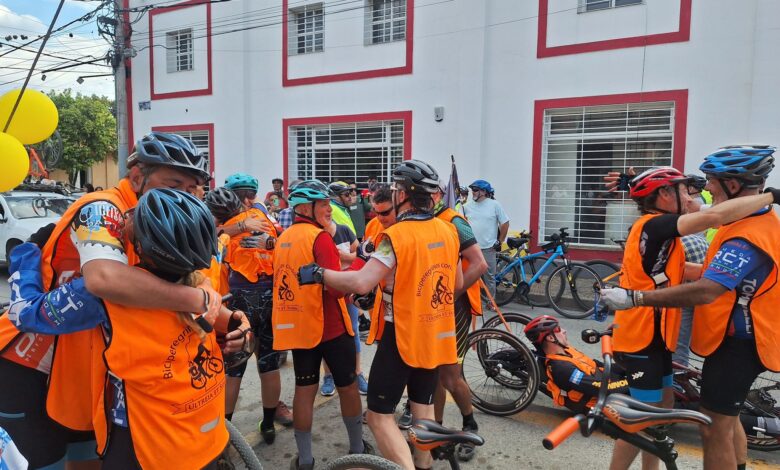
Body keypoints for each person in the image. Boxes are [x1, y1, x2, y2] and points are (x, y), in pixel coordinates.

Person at [0, 131, 226, 468]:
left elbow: (191, 279)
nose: (183, 195)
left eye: (192, 188)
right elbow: (104, 280)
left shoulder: (163, 218)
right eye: (174, 183)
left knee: (87, 459)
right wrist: (198, 299)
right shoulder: (104, 207)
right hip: (31, 360)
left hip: (87, 364)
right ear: (136, 177)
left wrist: (226, 315)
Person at [599, 146, 780, 470]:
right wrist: (770, 196)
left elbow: (704, 283)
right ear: (665, 196)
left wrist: (636, 297)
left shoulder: (746, 234)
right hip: (642, 338)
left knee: (690, 420)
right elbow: (711, 217)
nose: (701, 192)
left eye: (709, 182)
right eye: (686, 190)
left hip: (679, 339)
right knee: (647, 418)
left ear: (733, 185)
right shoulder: (655, 226)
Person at [298, 160, 463, 470]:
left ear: (403, 194)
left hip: (401, 335)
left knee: (377, 416)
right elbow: (456, 284)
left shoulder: (395, 236)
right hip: (434, 334)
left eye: (397, 189)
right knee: (423, 409)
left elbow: (361, 282)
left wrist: (320, 274)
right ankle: (423, 465)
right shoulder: (449, 230)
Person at [271, 180, 370, 470]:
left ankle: (305, 460)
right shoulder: (320, 238)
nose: (329, 209)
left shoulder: (284, 238)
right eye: (323, 204)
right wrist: (360, 264)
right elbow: (338, 288)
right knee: (348, 387)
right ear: (305, 208)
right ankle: (357, 449)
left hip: (300, 328)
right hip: (331, 328)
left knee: (304, 391)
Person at [205, 187, 292, 444]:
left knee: (234, 370)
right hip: (270, 297)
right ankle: (268, 424)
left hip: (240, 299)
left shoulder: (222, 234)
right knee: (269, 364)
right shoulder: (262, 218)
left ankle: (224, 432)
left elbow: (211, 250)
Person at [428, 182, 487, 462]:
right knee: (432, 373)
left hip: (454, 307)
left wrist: (452, 294)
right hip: (430, 308)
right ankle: (437, 430)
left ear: (439, 195)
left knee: (450, 376)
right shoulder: (422, 220)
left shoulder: (454, 221)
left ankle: (469, 424)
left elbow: (480, 264)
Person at [524, 316, 629, 413]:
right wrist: (633, 380)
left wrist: (629, 367)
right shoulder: (561, 368)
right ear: (551, 338)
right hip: (602, 400)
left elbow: (596, 365)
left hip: (604, 380)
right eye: (558, 329)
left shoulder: (567, 350)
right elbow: (602, 388)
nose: (564, 331)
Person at [322, 219, 369, 396]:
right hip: (325, 292)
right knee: (325, 333)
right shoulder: (316, 234)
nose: (327, 211)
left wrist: (343, 257)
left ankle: (358, 373)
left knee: (353, 331)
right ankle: (328, 376)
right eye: (323, 206)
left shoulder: (344, 230)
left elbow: (359, 254)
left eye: (328, 207)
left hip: (347, 290)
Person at [464, 179, 509, 306]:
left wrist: (500, 240)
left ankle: (491, 302)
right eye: (472, 190)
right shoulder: (466, 206)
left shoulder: (495, 205)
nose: (473, 192)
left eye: (475, 190)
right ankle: (471, 302)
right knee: (470, 275)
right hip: (471, 247)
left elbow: (505, 222)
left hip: (488, 247)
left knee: (490, 277)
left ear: (484, 191)